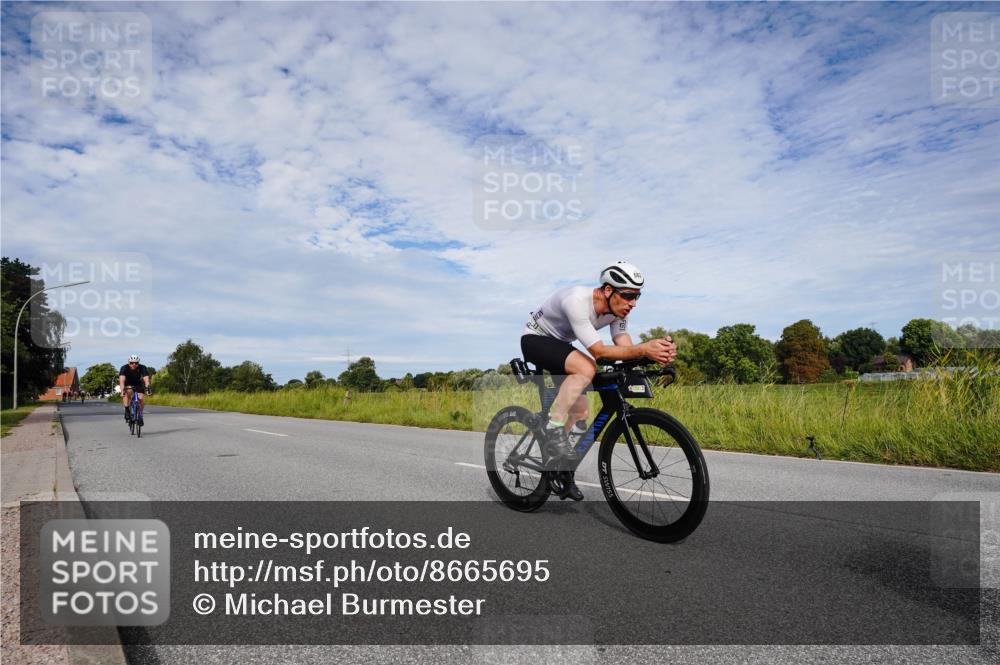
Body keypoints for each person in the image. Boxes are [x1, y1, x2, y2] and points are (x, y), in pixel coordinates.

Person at [521, 261, 677, 500]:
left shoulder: (617, 310)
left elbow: (623, 342)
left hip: (561, 344)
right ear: (607, 290)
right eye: (627, 296)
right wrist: (644, 349)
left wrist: (652, 356)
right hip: (536, 339)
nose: (632, 303)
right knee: (587, 367)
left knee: (580, 413)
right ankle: (553, 429)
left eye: (637, 296)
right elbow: (600, 351)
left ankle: (560, 471)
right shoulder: (576, 300)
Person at [119, 354, 151, 424]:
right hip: (128, 384)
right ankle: (127, 410)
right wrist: (122, 391)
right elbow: (122, 381)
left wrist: (148, 388)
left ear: (138, 363)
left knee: (141, 398)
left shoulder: (142, 367)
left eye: (136, 363)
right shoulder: (124, 368)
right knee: (127, 392)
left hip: (138, 384)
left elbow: (146, 379)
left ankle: (140, 415)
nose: (134, 364)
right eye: (131, 363)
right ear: (129, 363)